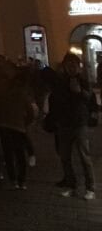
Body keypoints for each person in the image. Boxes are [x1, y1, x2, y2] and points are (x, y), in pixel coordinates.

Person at [50, 52, 97, 199]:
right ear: (64, 66)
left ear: (78, 66)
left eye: (74, 65)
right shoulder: (60, 81)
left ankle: (90, 188)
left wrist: (79, 92)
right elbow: (55, 100)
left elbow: (90, 99)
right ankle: (71, 185)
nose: (71, 68)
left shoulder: (83, 80)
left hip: (79, 123)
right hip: (64, 123)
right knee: (65, 157)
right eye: (68, 65)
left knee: (84, 157)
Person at [0, 60, 34, 190]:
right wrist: (25, 123)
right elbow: (30, 112)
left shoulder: (1, 92)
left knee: (9, 154)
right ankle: (22, 181)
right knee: (19, 154)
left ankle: (13, 180)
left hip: (4, 125)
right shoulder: (21, 93)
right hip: (17, 126)